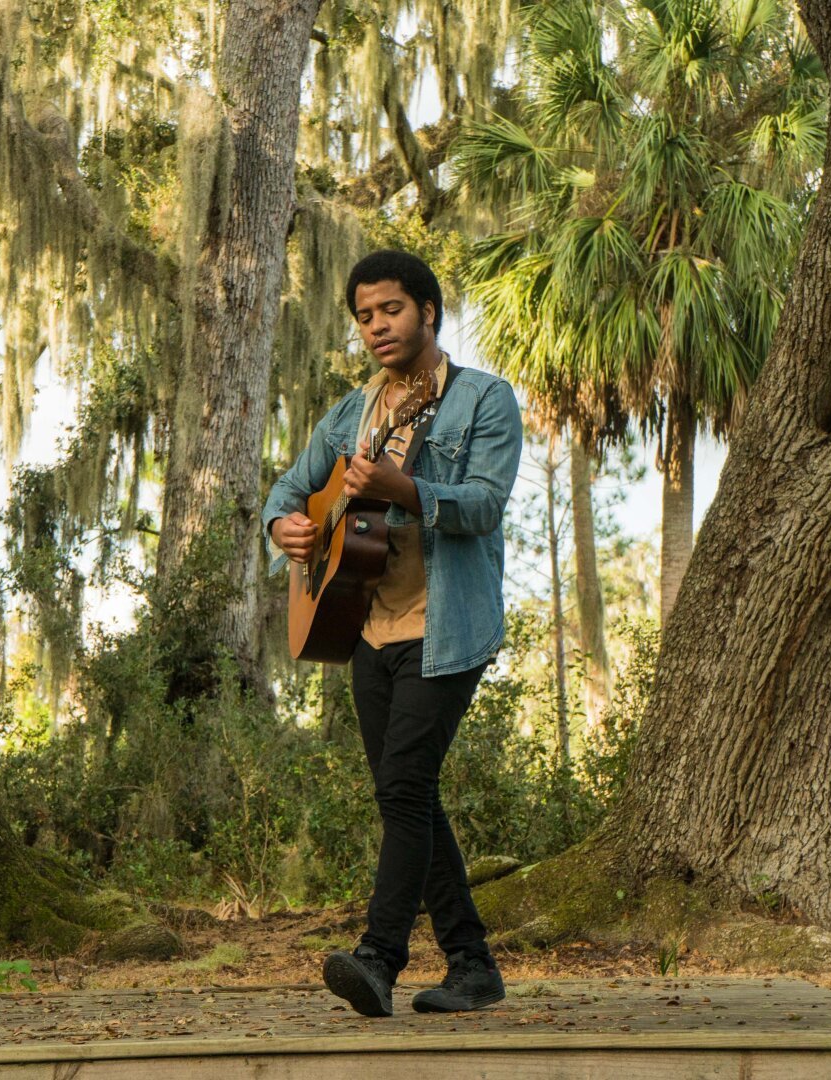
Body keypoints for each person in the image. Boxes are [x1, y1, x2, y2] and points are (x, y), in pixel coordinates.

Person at [261, 250, 523, 1017]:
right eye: (365, 316)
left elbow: (481, 506)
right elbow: (290, 488)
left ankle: (378, 956)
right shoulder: (350, 413)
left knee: (404, 786)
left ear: (429, 313)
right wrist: (285, 525)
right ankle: (472, 965)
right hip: (362, 624)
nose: (378, 325)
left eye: (391, 310)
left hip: (445, 626)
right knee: (406, 796)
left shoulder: (481, 400)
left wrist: (398, 486)